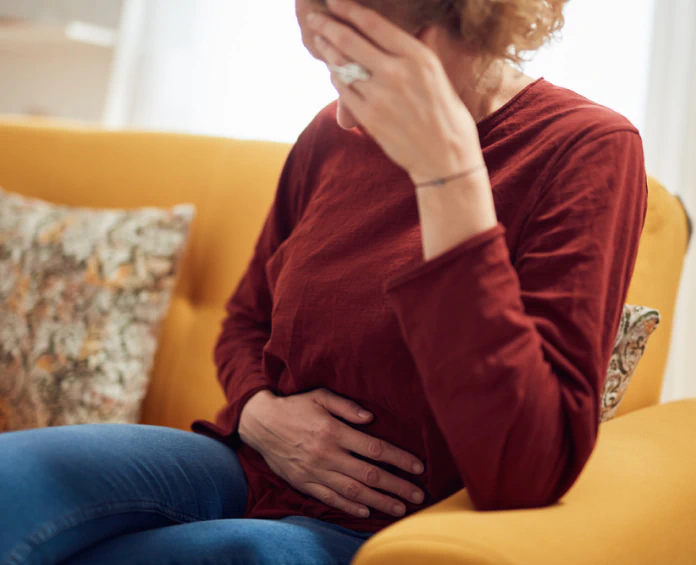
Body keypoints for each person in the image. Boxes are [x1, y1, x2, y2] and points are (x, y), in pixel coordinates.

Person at [0, 0, 648, 563]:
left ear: (467, 27)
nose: (342, 111)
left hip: (386, 530)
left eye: (360, 68)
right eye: (324, 62)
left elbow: (526, 470)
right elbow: (245, 320)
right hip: (247, 463)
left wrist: (446, 175)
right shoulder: (326, 138)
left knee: (242, 554)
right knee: (14, 479)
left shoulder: (585, 149)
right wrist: (258, 412)